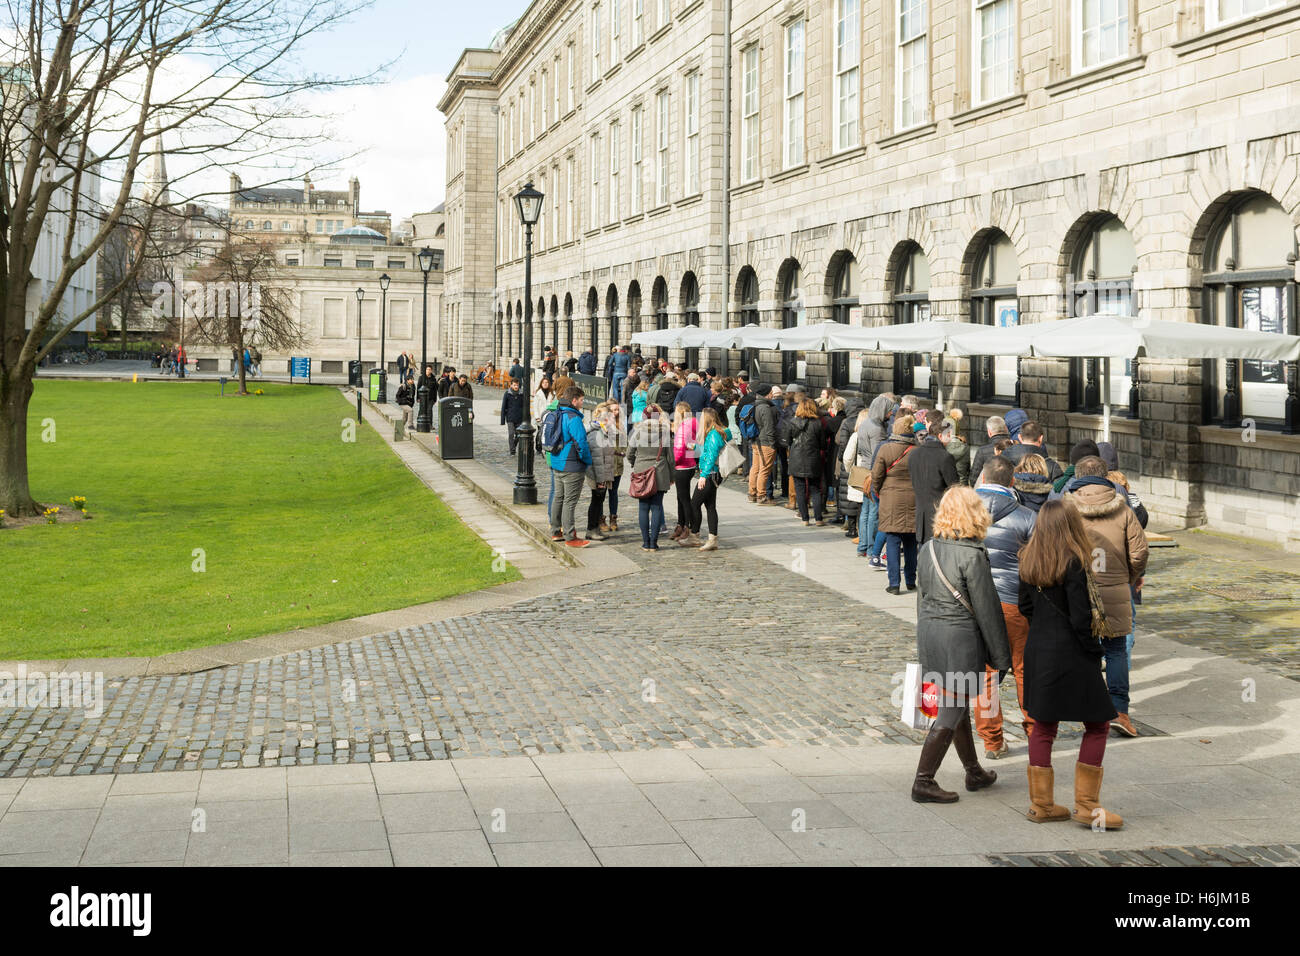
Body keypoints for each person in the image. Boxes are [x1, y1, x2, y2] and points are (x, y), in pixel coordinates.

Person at [1017, 500, 1123, 829]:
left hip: (1039, 649)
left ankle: (1041, 805)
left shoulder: (1027, 559)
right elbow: (1080, 618)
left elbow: (1025, 606)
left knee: (1044, 726)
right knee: (1098, 724)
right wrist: (1094, 651)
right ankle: (1087, 805)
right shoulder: (1074, 561)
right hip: (1072, 652)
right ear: (1070, 525)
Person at [911, 485, 1011, 804]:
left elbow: (921, 598)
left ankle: (973, 770)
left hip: (931, 634)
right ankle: (923, 781)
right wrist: (1001, 657)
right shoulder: (973, 554)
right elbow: (987, 609)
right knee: (951, 709)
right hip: (959, 639)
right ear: (975, 514)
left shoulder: (927, 548)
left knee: (956, 707)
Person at [1062, 456, 1148, 738]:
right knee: (1115, 649)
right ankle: (1119, 710)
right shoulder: (1123, 510)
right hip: (1114, 587)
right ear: (1105, 476)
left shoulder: (1066, 507)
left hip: (1077, 589)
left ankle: (1086, 706)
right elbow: (1139, 552)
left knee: (1081, 648)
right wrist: (1128, 576)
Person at [972, 456, 1038, 759]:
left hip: (978, 602)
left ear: (983, 479)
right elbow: (1037, 566)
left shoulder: (964, 513)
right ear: (1012, 481)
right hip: (1015, 602)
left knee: (987, 673)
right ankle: (1037, 733)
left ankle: (992, 740)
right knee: (1025, 670)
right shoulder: (1027, 516)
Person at [871, 416, 919, 595]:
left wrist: (879, 491)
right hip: (913, 499)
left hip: (890, 499)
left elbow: (876, 475)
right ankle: (911, 580)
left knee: (892, 541)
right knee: (911, 543)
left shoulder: (886, 449)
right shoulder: (917, 451)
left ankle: (894, 583)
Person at [547, 385, 593, 547]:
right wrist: (587, 461)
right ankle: (570, 536)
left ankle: (555, 531)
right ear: (574, 400)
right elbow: (581, 443)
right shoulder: (573, 418)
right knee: (569, 501)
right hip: (571, 464)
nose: (582, 402)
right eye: (581, 399)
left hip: (556, 462)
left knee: (558, 498)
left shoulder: (557, 412)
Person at [626, 404, 673, 551]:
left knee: (643, 508)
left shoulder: (637, 432)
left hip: (641, 472)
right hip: (659, 472)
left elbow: (629, 453)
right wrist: (672, 476)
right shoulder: (664, 433)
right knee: (657, 506)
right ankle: (654, 542)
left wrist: (636, 463)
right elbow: (670, 458)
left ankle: (646, 542)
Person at [910, 418, 960, 544]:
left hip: (921, 515)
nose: (950, 438)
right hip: (941, 518)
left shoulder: (914, 454)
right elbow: (954, 489)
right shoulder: (945, 457)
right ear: (939, 436)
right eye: (948, 435)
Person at [583, 401, 623, 542]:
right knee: (596, 502)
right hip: (596, 475)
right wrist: (600, 480)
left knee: (598, 501)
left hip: (603, 475)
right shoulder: (596, 434)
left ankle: (595, 528)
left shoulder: (605, 431)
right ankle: (591, 529)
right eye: (611, 417)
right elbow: (597, 460)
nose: (614, 419)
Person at [689, 407, 728, 552]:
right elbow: (708, 451)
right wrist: (696, 447)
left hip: (710, 474)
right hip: (712, 474)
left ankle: (695, 534)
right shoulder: (713, 434)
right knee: (710, 506)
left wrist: (703, 476)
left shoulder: (713, 435)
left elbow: (711, 457)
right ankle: (712, 539)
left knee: (694, 504)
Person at [784, 397, 827, 526]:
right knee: (815, 489)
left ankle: (805, 519)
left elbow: (787, 440)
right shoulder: (817, 423)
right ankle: (818, 518)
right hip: (813, 458)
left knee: (800, 489)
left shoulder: (793, 422)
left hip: (796, 458)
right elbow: (823, 444)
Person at [670, 401, 700, 545]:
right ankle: (681, 524)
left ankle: (687, 526)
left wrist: (672, 464)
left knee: (683, 499)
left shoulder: (684, 426)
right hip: (689, 464)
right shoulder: (693, 424)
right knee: (681, 498)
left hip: (682, 466)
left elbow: (680, 448)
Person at [749, 386, 781, 505]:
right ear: (767, 394)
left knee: (755, 468)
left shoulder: (755, 405)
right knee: (764, 469)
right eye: (771, 393)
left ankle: (752, 493)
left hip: (755, 441)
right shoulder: (766, 408)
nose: (772, 395)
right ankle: (761, 497)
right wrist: (773, 444)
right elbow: (769, 428)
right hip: (766, 442)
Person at [970, 415, 1010, 484]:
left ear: (989, 432)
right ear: (1006, 428)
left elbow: (974, 478)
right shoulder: (1015, 446)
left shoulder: (982, 451)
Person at [944, 409, 971, 485]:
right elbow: (967, 469)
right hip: (962, 484)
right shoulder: (965, 447)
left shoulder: (941, 447)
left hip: (948, 485)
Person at [500, 378, 526, 454]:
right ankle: (512, 450)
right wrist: (502, 420)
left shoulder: (521, 394)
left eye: (517, 385)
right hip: (510, 417)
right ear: (511, 385)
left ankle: (514, 445)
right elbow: (503, 406)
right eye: (514, 385)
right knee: (511, 433)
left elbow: (524, 406)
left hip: (519, 418)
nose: (516, 387)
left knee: (519, 434)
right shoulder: (507, 393)